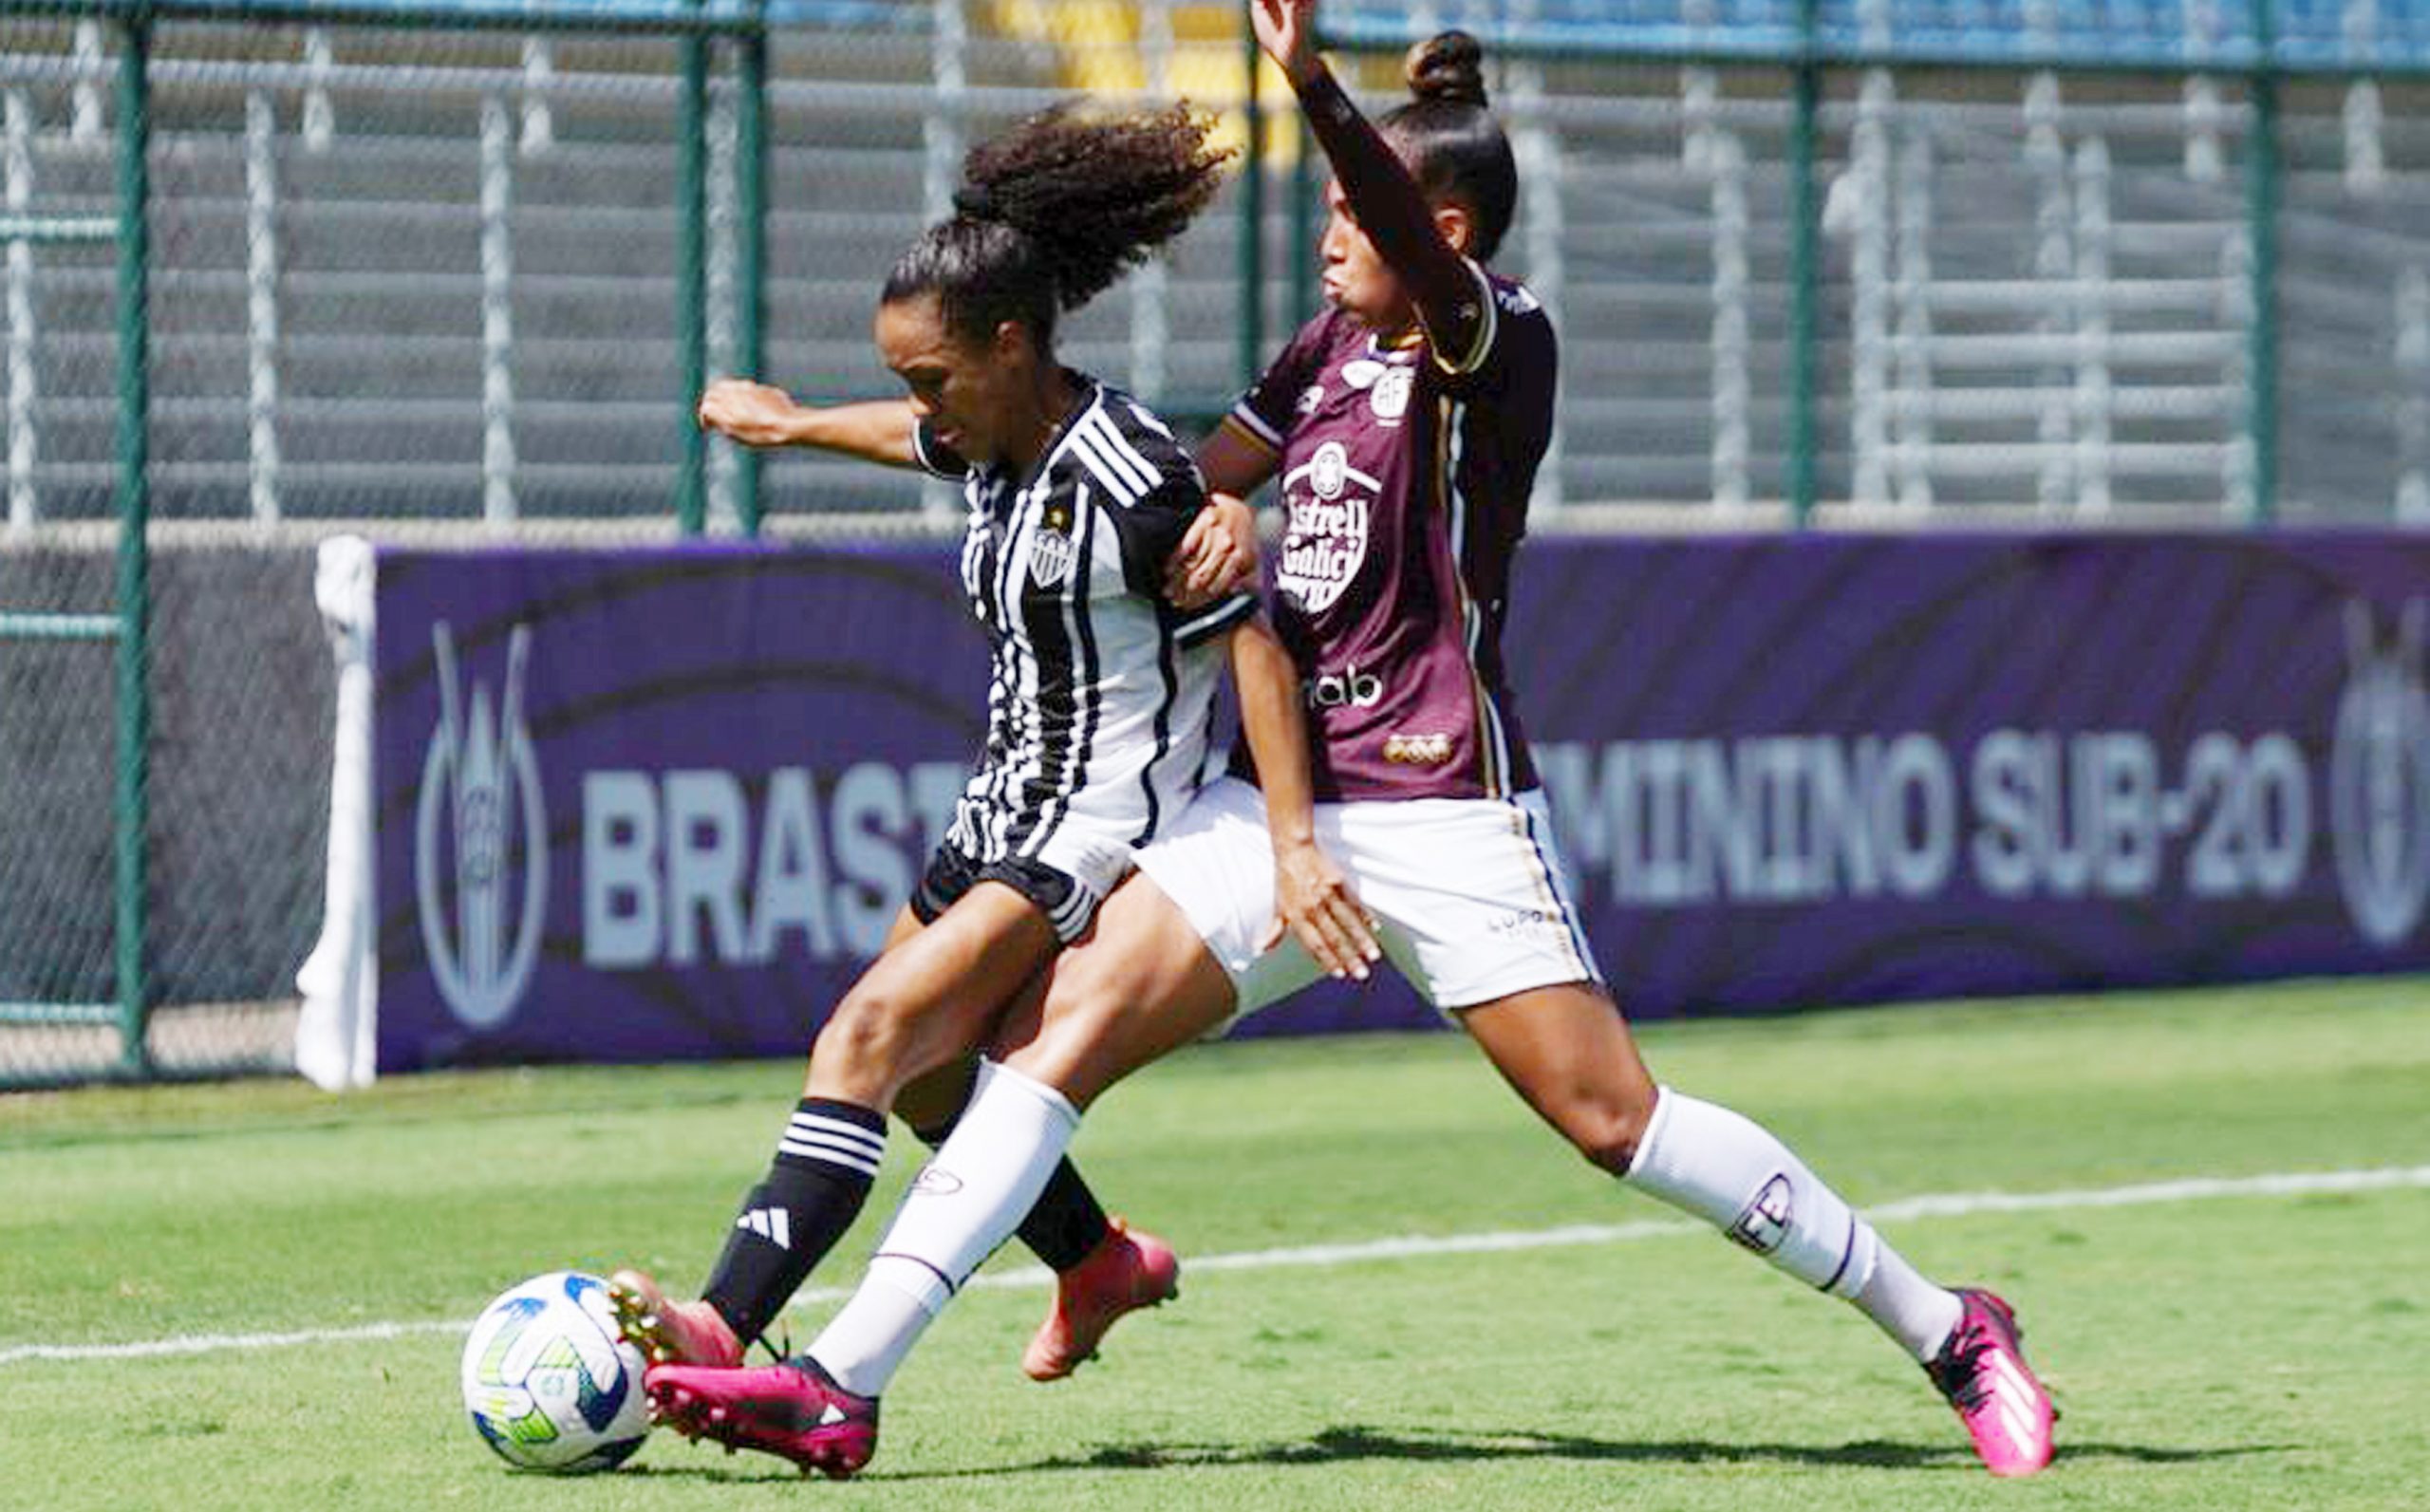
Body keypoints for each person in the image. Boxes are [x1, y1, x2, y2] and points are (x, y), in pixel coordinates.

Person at [641, 2, 2056, 1483]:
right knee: (1041, 1049)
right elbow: (1174, 485)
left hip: (1440, 798)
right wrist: (1196, 517)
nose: (1327, 236)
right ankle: (841, 1381)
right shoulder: (1325, 348)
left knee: (1613, 1119)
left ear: (1433, 225)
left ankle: (1949, 1324)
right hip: (1274, 800)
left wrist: (1311, 82)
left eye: (1345, 211)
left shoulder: (1492, 346)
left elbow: (1412, 248)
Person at [605, 94, 1379, 1399]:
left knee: (867, 1033)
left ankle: (726, 1326)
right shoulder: (985, 442)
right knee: (926, 1082)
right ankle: (1096, 1263)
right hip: (993, 811)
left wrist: (1291, 841)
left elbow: (1253, 645)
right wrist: (792, 424)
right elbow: (907, 438)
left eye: (930, 378)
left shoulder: (1137, 478)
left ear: (1012, 345)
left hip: (1088, 827)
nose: (920, 407)